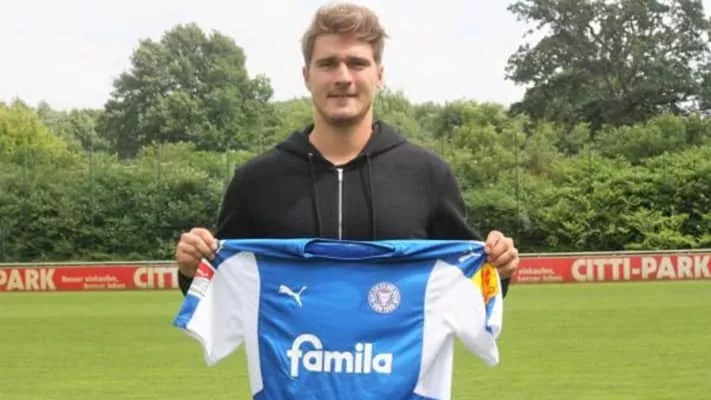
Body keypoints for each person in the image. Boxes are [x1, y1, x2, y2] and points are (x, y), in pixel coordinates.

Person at [174, 2, 519, 297]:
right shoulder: (257, 181)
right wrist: (191, 269)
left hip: (398, 360)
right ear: (307, 76)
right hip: (295, 360)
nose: (343, 77)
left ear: (379, 75)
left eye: (357, 63)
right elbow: (220, 292)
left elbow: (470, 288)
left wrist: (498, 270)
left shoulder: (427, 175)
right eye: (328, 64)